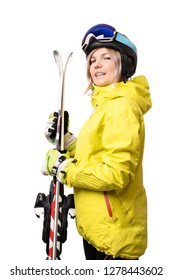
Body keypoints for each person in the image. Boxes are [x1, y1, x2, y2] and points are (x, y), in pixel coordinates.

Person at [42, 23, 152, 260]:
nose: (97, 65)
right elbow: (97, 154)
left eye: (106, 58)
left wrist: (64, 168)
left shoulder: (121, 107)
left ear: (122, 64)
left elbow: (116, 174)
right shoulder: (107, 105)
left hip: (113, 239)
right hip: (99, 228)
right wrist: (67, 141)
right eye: (92, 60)